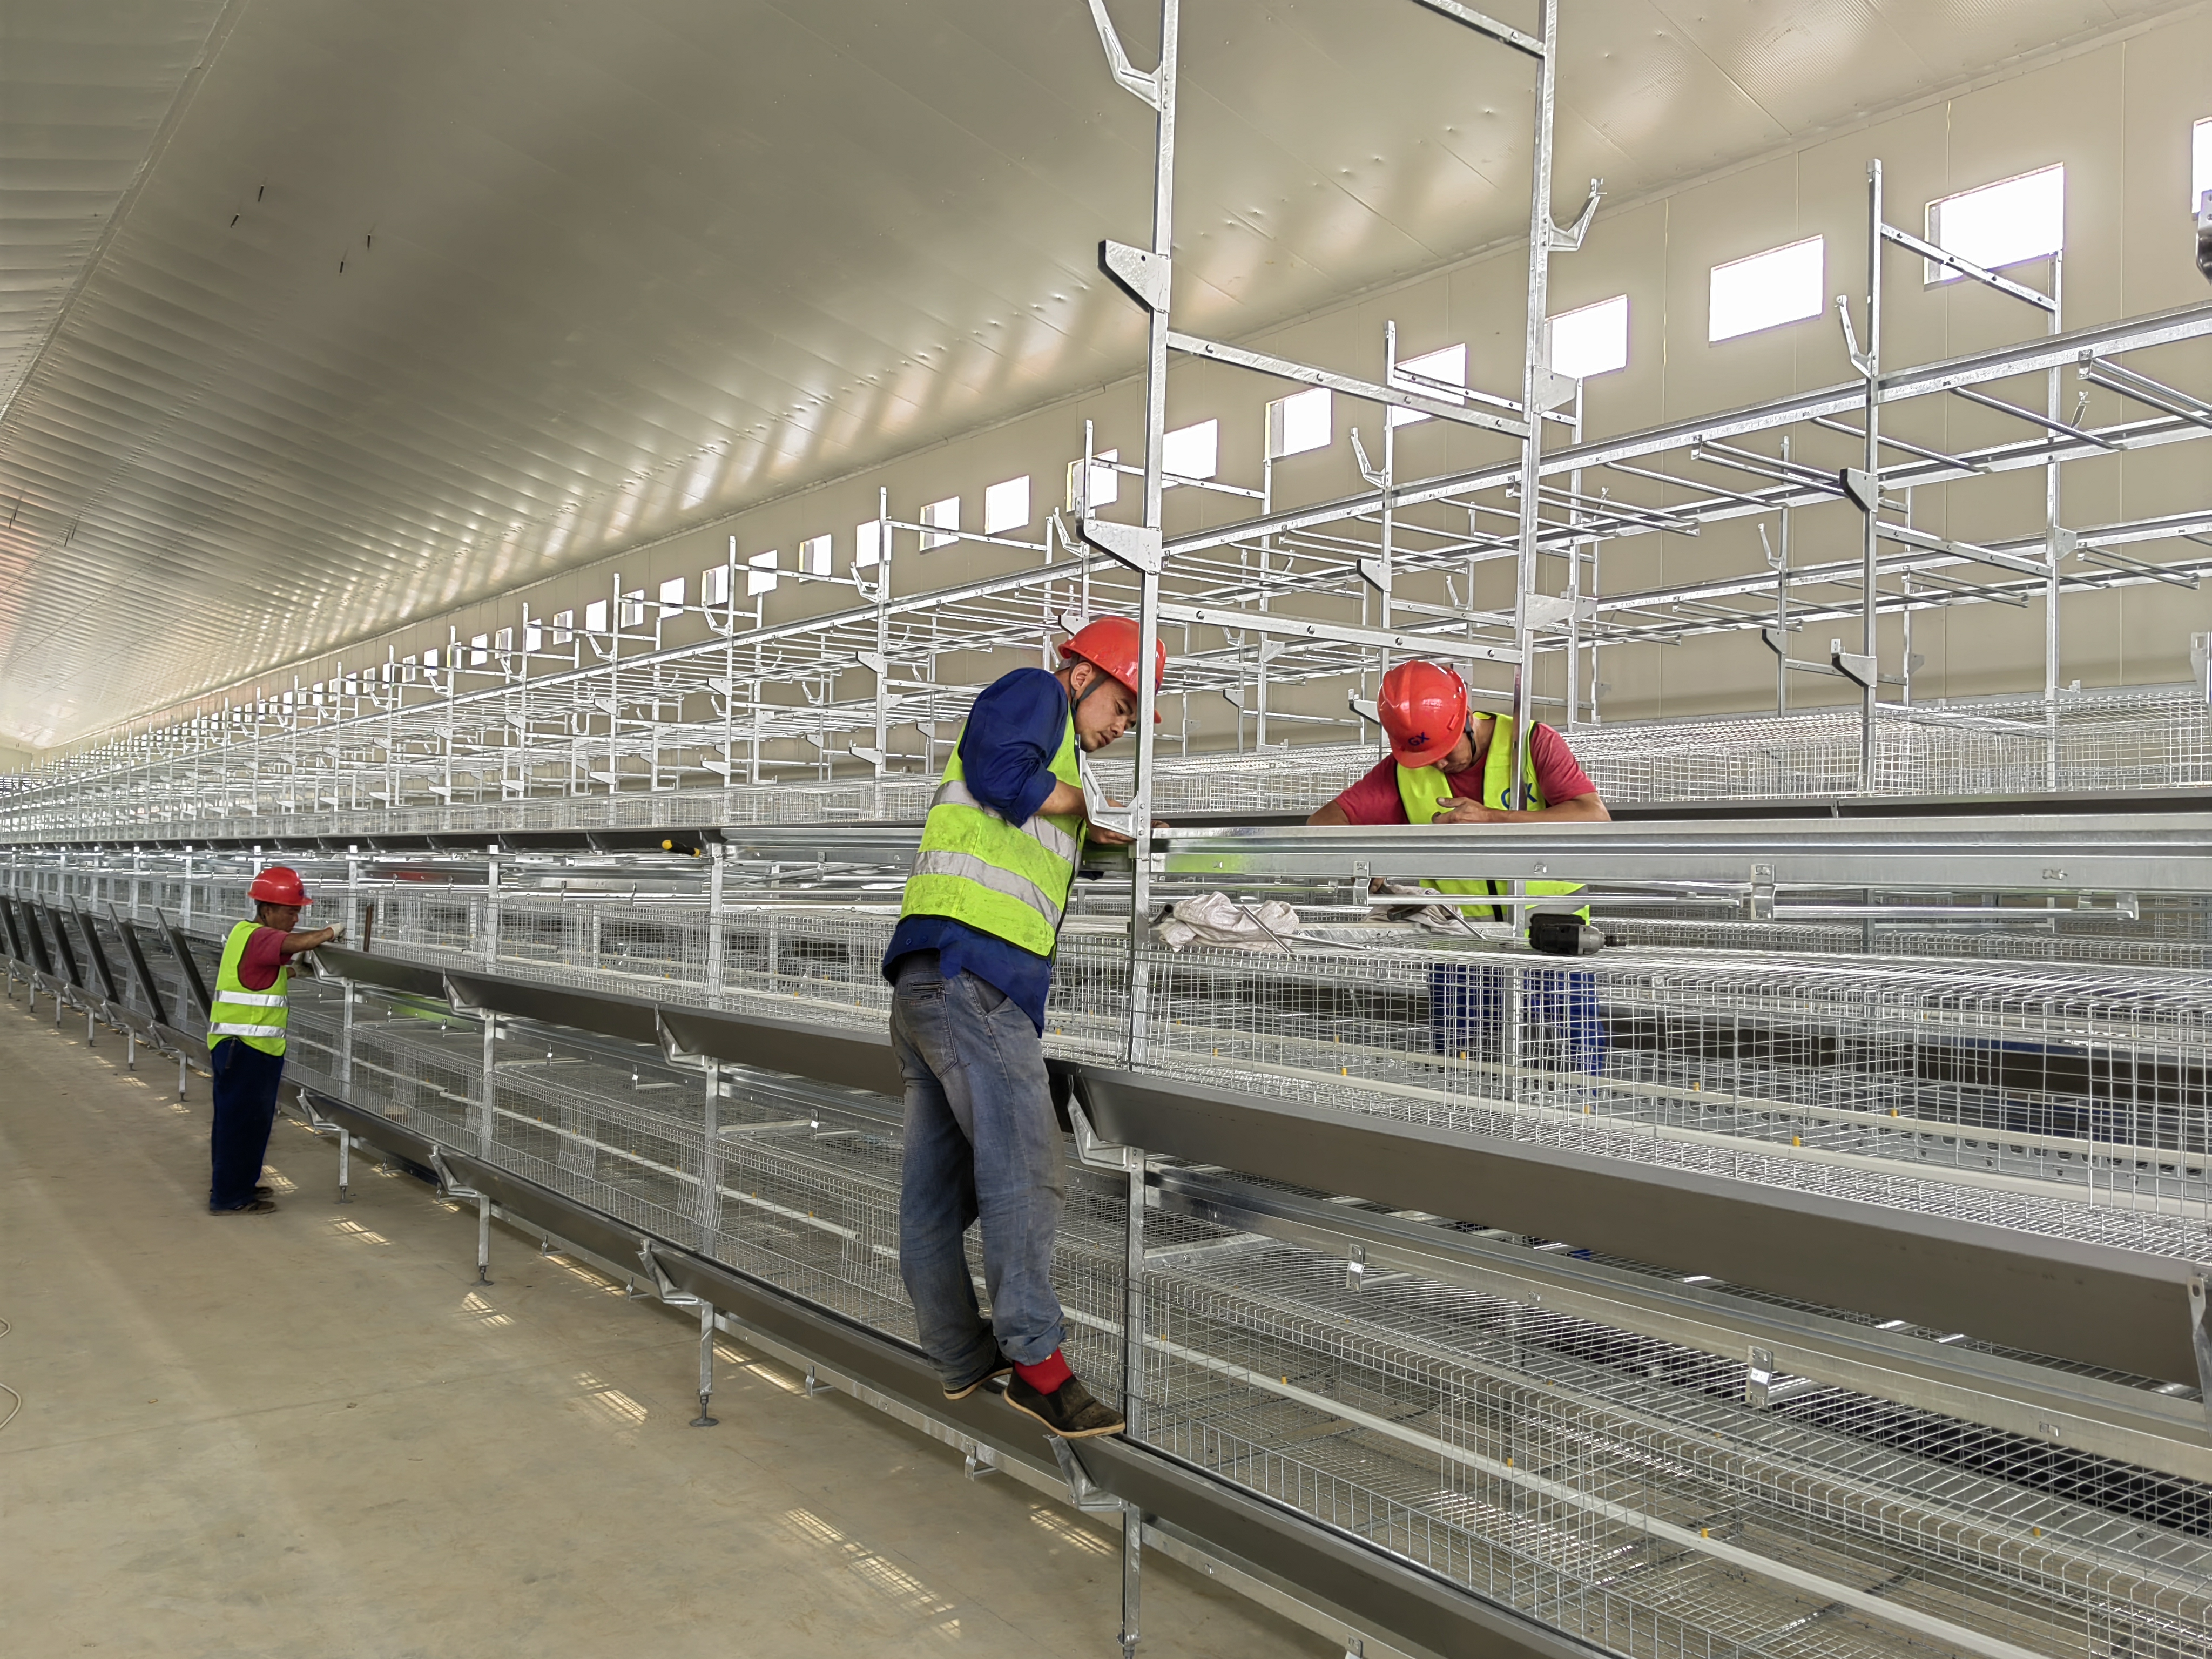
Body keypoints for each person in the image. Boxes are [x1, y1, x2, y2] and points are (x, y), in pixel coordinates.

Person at [881, 616, 1164, 1439]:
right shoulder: (1036, 691)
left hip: (931, 979)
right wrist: (1098, 808)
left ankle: (959, 1355)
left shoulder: (1060, 756)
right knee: (1026, 1172)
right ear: (1082, 676)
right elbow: (1003, 776)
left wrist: (1088, 819)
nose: (1121, 726)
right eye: (1121, 704)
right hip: (976, 979)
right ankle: (1039, 1369)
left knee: (935, 1196)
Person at [1309, 660, 1611, 1074]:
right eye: (1424, 757)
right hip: (1459, 947)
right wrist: (1361, 855)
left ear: (1467, 720)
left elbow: (1594, 819)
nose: (1436, 765)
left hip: (1552, 942)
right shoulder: (1402, 771)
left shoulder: (1531, 743)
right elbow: (1323, 823)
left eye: (1444, 751)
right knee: (1462, 1078)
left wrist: (1493, 819)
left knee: (1567, 1069)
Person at [206, 866, 341, 1215]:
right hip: (245, 1049)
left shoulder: (245, 934)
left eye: (298, 912)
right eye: (290, 911)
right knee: (242, 1124)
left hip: (245, 1048)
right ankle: (230, 1198)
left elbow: (261, 974)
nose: (296, 918)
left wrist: (295, 971)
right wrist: (330, 932)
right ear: (266, 910)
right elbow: (298, 943)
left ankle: (238, 1186)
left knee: (246, 1122)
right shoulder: (261, 935)